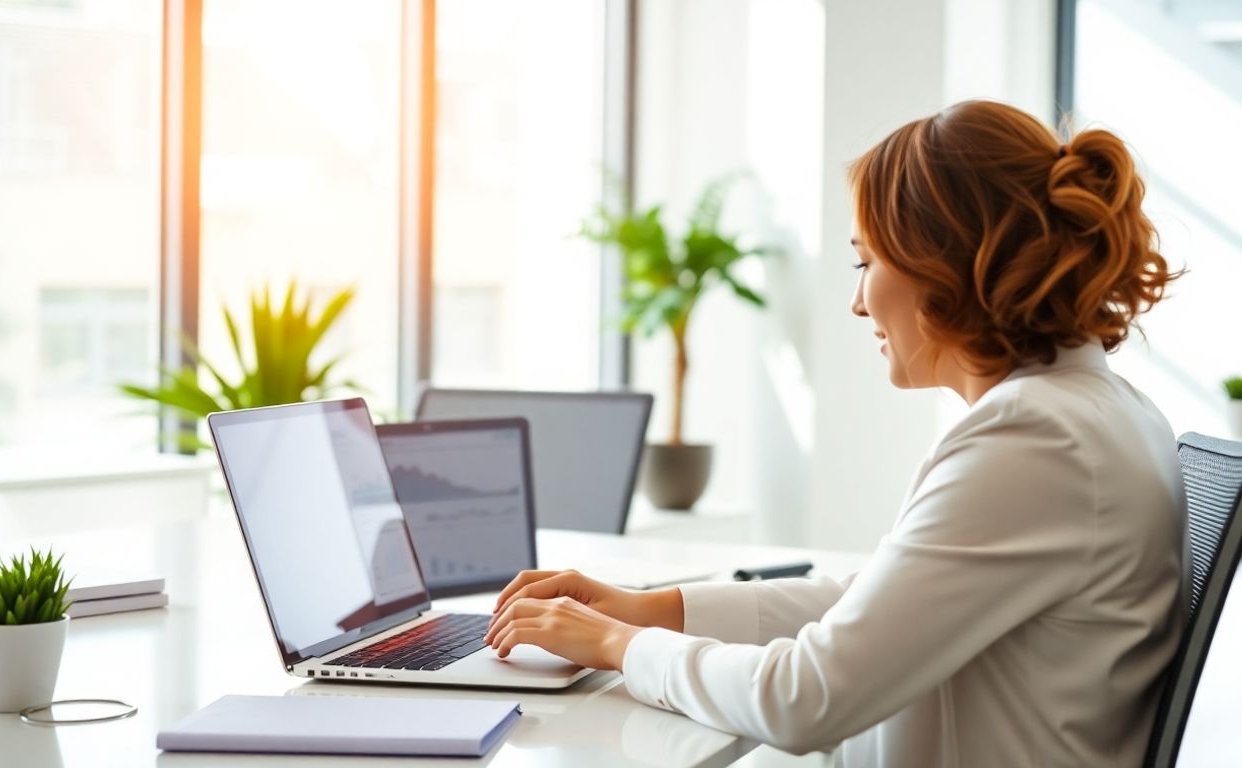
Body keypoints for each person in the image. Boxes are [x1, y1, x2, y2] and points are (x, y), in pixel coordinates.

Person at [483, 100, 1186, 767]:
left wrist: (619, 643)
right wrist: (655, 608)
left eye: (866, 262)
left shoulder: (1037, 440)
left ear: (947, 265)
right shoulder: (1095, 412)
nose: (856, 302)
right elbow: (878, 599)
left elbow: (804, 699)